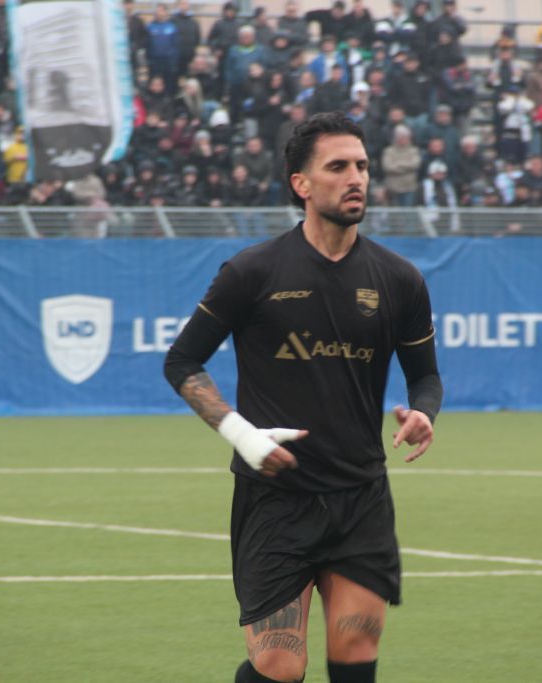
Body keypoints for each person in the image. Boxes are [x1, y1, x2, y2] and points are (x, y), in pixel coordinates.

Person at [163, 111, 442, 683]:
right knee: (279, 666)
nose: (355, 178)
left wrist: (423, 411)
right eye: (337, 167)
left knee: (355, 656)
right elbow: (181, 361)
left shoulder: (400, 279)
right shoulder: (252, 271)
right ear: (302, 183)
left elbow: (426, 377)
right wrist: (242, 435)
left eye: (361, 165)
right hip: (276, 500)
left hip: (360, 496)